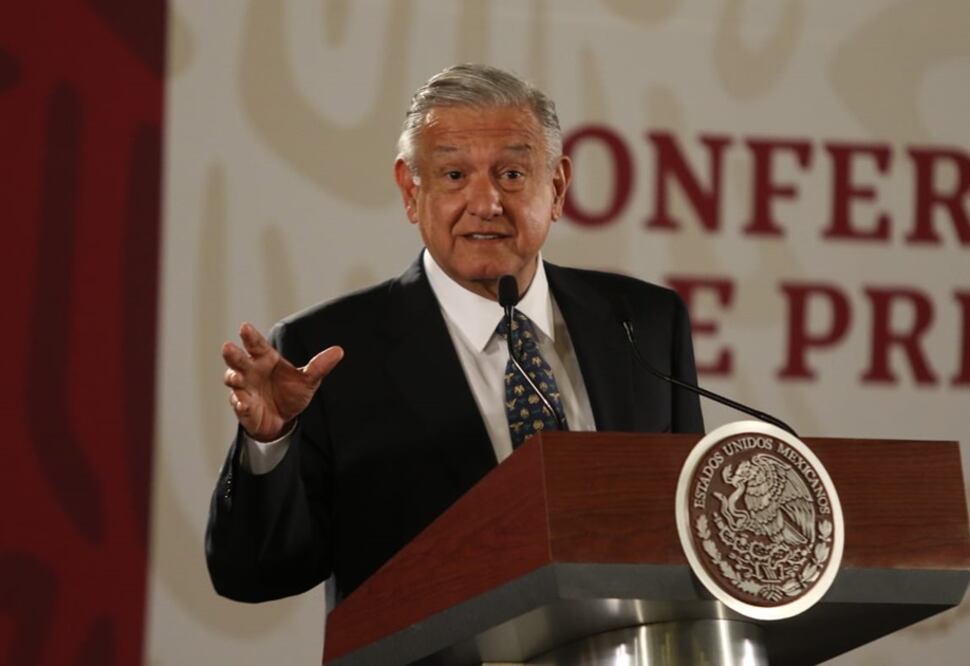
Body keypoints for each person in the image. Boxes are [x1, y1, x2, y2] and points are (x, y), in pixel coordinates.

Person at [206, 64, 704, 607]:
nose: (486, 203)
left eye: (512, 174)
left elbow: (690, 541)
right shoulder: (325, 352)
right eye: (453, 176)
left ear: (557, 188)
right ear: (410, 190)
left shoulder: (646, 324)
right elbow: (253, 574)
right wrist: (268, 443)